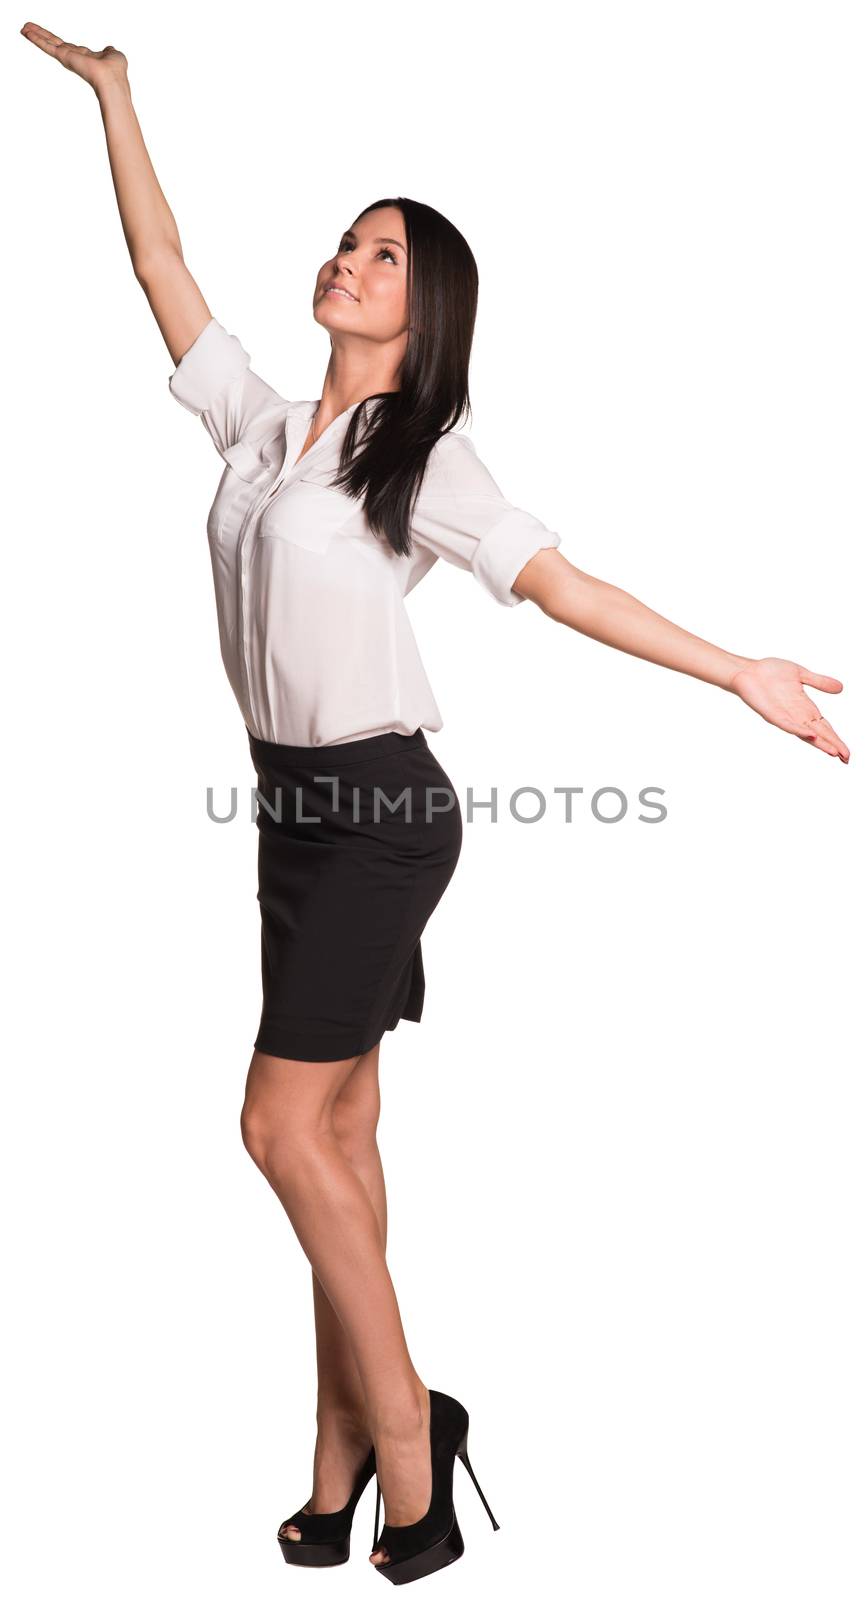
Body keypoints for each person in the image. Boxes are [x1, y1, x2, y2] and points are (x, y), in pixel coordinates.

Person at [20, 20, 850, 1588]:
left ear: (428, 305)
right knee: (337, 1131)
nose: (347, 261)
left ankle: (410, 1437)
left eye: (382, 255)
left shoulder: (426, 452)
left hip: (384, 814)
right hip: (287, 817)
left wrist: (732, 667)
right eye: (344, 241)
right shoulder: (265, 428)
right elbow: (160, 261)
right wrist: (118, 101)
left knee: (275, 1127)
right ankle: (331, 1458)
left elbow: (568, 585)